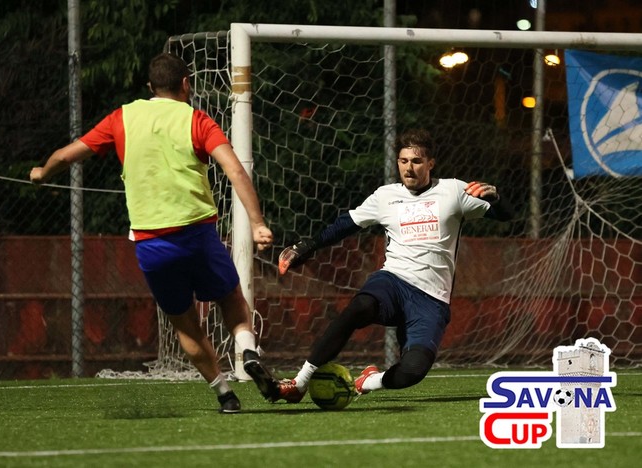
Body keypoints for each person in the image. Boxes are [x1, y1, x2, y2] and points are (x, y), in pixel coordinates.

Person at [30, 52, 279, 413]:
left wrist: (42, 172)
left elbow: (67, 155)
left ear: (150, 87)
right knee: (231, 299)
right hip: (197, 235)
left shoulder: (123, 117)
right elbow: (235, 171)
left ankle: (225, 394)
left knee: (185, 323)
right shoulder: (196, 119)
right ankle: (248, 351)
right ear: (185, 84)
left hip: (152, 245)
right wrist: (257, 223)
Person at [274, 128, 513, 402]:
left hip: (431, 298)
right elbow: (345, 225)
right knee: (359, 306)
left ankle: (370, 380)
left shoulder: (454, 191)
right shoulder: (385, 196)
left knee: (412, 371)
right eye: (403, 161)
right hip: (393, 281)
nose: (409, 168)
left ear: (431, 163)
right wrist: (306, 247)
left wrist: (495, 197)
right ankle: (299, 383)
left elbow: (505, 216)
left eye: (416, 161)